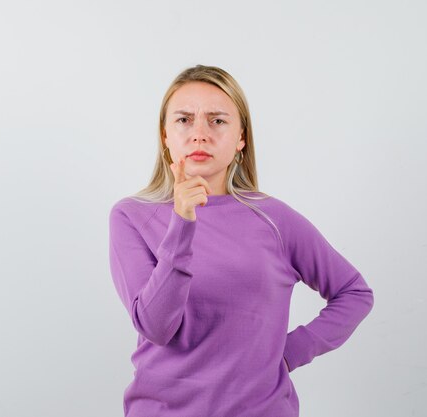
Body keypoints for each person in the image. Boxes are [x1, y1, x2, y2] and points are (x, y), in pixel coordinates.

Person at [108, 64, 375, 417]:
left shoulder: (274, 218)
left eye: (217, 121)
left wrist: (286, 353)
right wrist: (182, 222)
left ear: (241, 138)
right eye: (184, 120)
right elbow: (156, 327)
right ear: (165, 136)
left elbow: (354, 293)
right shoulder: (131, 216)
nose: (199, 134)